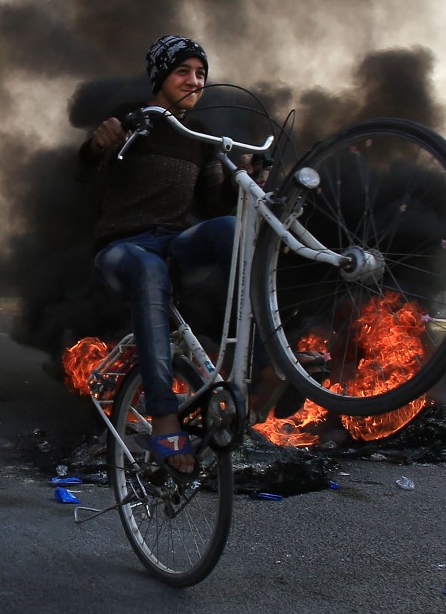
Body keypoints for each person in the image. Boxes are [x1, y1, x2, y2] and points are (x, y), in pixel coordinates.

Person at [76, 35, 318, 478]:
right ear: (161, 78)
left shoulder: (198, 138)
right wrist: (98, 144)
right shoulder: (134, 122)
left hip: (173, 242)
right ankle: (165, 418)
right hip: (122, 250)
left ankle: (268, 362)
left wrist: (239, 177)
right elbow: (83, 170)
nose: (194, 81)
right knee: (148, 268)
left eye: (201, 74)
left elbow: (212, 202)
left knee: (231, 230)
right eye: (183, 72)